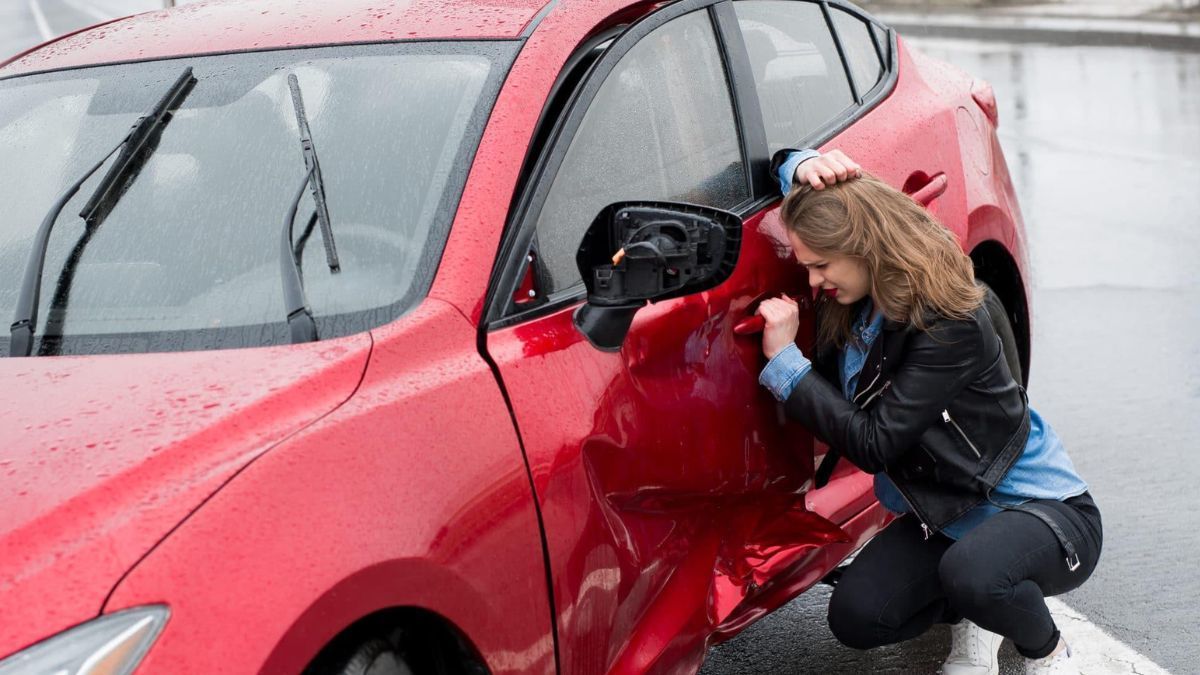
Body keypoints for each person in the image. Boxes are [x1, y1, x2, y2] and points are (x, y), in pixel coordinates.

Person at [755, 149, 1102, 675]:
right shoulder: (859, 298)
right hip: (946, 513)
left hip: (1037, 509)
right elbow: (792, 175)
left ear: (866, 249)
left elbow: (875, 444)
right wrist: (798, 166)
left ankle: (1050, 652)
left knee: (976, 574)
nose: (813, 282)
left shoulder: (947, 321)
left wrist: (786, 365)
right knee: (858, 616)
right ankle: (981, 608)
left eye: (821, 266)